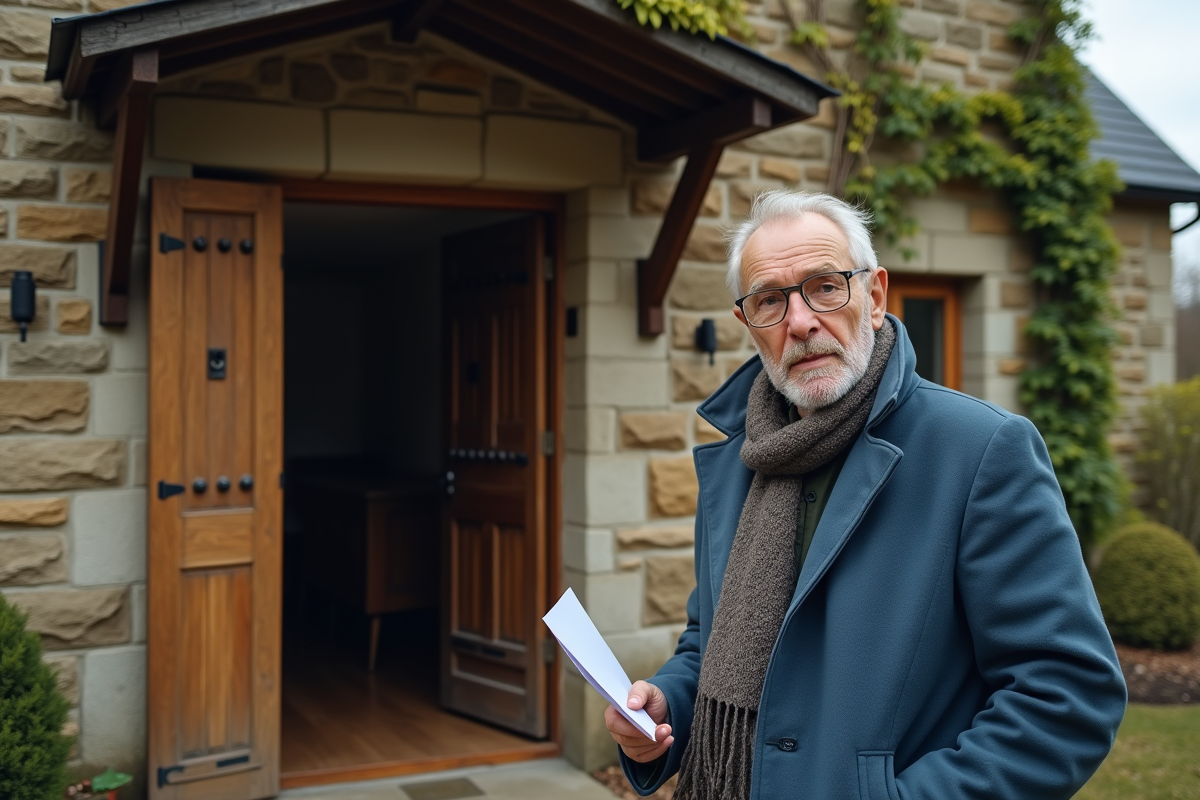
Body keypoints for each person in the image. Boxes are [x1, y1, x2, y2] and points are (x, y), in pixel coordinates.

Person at [605, 191, 1126, 800]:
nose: (799, 321)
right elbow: (709, 640)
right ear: (749, 324)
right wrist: (666, 704)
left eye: (825, 286)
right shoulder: (735, 463)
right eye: (770, 300)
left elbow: (1067, 696)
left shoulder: (982, 450)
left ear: (874, 297)